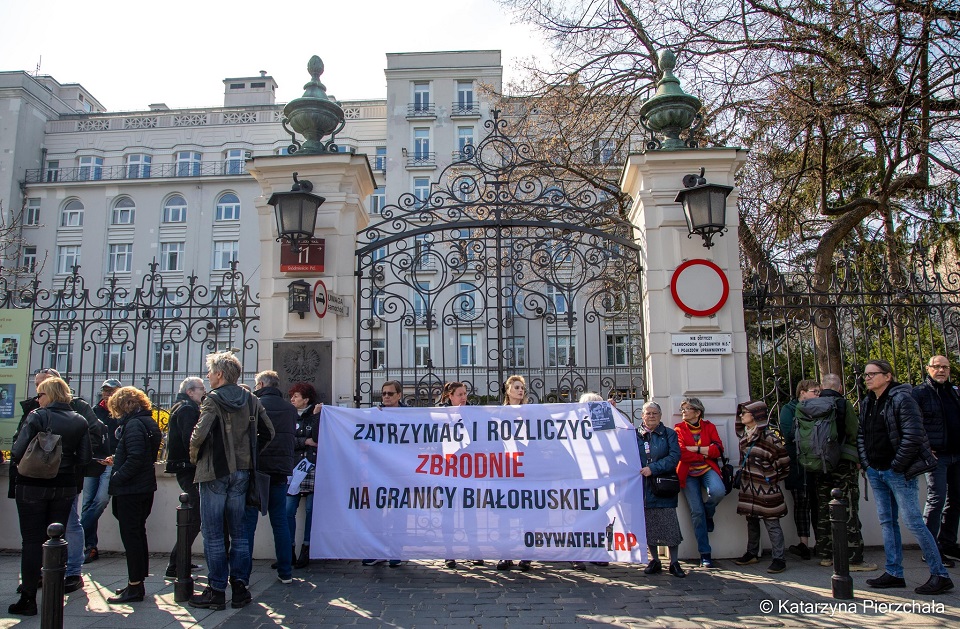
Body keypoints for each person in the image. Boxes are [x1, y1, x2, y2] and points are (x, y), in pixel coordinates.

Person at [858, 359, 953, 595]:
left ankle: (940, 574)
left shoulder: (902, 399)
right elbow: (861, 433)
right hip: (876, 470)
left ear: (888, 376)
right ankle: (894, 572)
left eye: (873, 374)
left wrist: (897, 465)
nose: (867, 378)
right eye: (866, 375)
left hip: (897, 471)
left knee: (913, 523)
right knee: (887, 522)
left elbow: (913, 435)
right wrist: (868, 462)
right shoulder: (868, 401)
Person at [189, 351, 274, 611]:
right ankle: (239, 588)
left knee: (214, 534)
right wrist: (248, 455)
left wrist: (195, 457)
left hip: (215, 471)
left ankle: (216, 591)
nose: (207, 376)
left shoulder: (212, 399)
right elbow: (268, 432)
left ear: (220, 374)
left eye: (210, 372)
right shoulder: (250, 398)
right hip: (242, 472)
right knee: (239, 535)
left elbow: (199, 434)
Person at [13, 367, 102, 595]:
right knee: (58, 537)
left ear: (50, 394)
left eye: (40, 394)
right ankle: (55, 587)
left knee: (32, 541)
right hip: (64, 485)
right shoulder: (79, 419)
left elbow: (17, 449)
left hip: (33, 484)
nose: (37, 398)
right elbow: (84, 457)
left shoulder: (38, 415)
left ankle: (29, 596)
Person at [105, 386, 162, 604]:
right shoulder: (146, 421)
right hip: (143, 487)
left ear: (124, 405)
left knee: (132, 536)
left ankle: (135, 586)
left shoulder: (134, 424)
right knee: (137, 534)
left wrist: (117, 476)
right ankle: (135, 583)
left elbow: (136, 458)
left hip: (131, 489)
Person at [816, 374, 876, 571]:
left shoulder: (811, 405)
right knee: (847, 507)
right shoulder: (843, 404)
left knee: (824, 508)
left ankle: (825, 555)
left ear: (821, 387)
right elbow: (853, 431)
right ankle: (852, 558)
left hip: (819, 464)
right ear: (840, 388)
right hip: (842, 462)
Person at [245, 370, 297, 584]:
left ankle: (243, 575)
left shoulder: (254, 404)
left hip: (256, 469)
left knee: (248, 523)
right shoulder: (290, 408)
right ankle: (285, 571)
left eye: (257, 385)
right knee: (280, 522)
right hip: (280, 470)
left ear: (263, 384)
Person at [733, 401, 790, 573]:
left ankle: (779, 558)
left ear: (756, 415)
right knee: (751, 520)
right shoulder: (744, 439)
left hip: (766, 488)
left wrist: (770, 478)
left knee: (772, 523)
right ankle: (752, 552)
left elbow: (784, 463)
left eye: (745, 412)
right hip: (749, 488)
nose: (742, 415)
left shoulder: (770, 438)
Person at [913, 355, 960, 565]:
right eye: (937, 367)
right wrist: (925, 449)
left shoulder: (954, 392)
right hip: (936, 456)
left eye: (945, 367)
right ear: (928, 368)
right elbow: (914, 424)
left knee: (956, 500)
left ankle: (947, 543)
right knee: (936, 498)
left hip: (956, 454)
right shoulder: (920, 393)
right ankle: (930, 548)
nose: (941, 370)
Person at [437, 381, 484, 570]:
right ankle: (449, 552)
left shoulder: (472, 413)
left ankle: (474, 550)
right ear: (450, 396)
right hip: (446, 471)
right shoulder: (439, 413)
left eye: (465, 393)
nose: (464, 397)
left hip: (467, 470)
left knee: (469, 511)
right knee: (448, 512)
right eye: (460, 394)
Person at [675, 396, 726, 568]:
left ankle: (708, 513)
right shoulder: (679, 429)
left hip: (707, 469)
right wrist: (704, 451)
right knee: (696, 513)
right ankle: (705, 553)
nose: (683, 412)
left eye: (686, 409)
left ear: (697, 412)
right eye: (682, 409)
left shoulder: (709, 427)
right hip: (688, 473)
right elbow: (681, 452)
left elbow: (718, 449)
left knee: (718, 491)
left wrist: (695, 449)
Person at [164, 376, 206, 578]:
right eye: (200, 389)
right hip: (188, 468)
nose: (203, 392)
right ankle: (176, 564)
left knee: (193, 516)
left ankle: (181, 561)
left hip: (184, 467)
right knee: (194, 517)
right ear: (190, 391)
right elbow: (192, 440)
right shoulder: (188, 409)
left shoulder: (182, 406)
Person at [638, 401, 685, 578]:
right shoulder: (635, 435)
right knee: (650, 526)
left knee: (669, 524)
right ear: (642, 415)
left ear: (660, 415)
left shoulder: (669, 434)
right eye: (648, 413)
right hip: (643, 486)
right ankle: (655, 560)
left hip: (664, 484)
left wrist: (654, 468)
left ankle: (674, 562)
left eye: (654, 413)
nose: (651, 416)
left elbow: (674, 456)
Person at [363, 380, 405, 568]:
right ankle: (377, 551)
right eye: (384, 394)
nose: (386, 397)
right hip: (377, 469)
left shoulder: (409, 415)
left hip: (400, 471)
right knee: (375, 511)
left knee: (398, 512)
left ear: (399, 395)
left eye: (390, 393)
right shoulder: (374, 414)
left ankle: (396, 551)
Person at [778, 379, 820, 560]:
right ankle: (804, 543)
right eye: (814, 391)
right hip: (796, 462)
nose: (818, 394)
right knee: (801, 503)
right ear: (802, 392)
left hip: (817, 461)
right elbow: (788, 433)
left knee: (819, 503)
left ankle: (822, 542)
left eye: (819, 391)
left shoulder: (821, 408)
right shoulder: (789, 409)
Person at [82, 378, 122, 564]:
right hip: (93, 461)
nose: (108, 394)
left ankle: (77, 533)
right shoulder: (95, 411)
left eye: (111, 390)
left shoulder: (122, 412)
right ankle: (90, 546)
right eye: (106, 391)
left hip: (111, 462)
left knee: (101, 500)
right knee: (88, 502)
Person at [497, 374, 533, 572]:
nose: (520, 390)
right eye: (516, 387)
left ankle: (528, 554)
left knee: (528, 513)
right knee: (505, 513)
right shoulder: (500, 413)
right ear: (508, 390)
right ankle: (506, 554)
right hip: (506, 469)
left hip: (527, 469)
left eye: (522, 388)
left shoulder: (531, 412)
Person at [287, 381, 321, 569]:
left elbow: (316, 439)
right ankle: (289, 549)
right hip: (292, 469)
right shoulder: (288, 415)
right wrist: (303, 441)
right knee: (287, 510)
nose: (292, 399)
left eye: (296, 396)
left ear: (306, 399)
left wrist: (315, 417)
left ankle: (306, 548)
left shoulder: (315, 415)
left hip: (312, 467)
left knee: (311, 511)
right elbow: (284, 439)